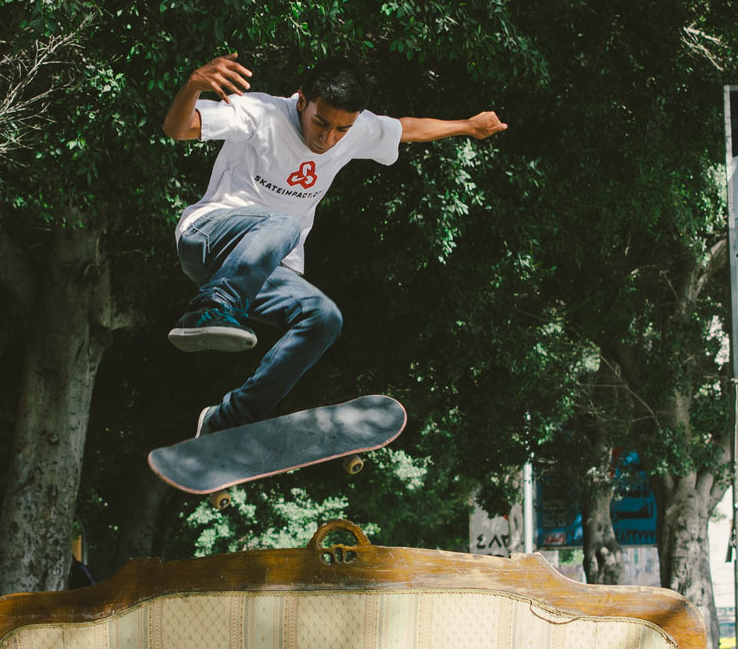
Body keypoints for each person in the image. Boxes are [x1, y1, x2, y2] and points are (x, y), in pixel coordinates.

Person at [162, 52, 506, 435]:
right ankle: (210, 310)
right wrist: (194, 85)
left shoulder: (357, 129)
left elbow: (406, 128)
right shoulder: (260, 113)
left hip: (256, 267)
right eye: (320, 123)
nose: (328, 139)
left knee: (323, 318)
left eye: (342, 129)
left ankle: (227, 419)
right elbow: (179, 128)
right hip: (207, 235)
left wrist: (467, 126)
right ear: (302, 101)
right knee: (284, 224)